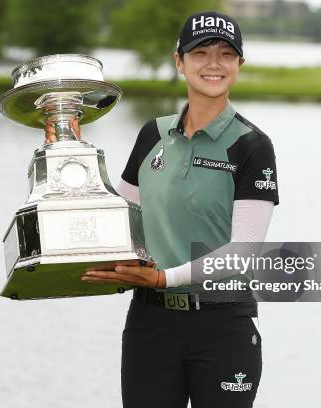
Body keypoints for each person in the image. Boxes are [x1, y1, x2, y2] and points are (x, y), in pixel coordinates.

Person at [45, 10, 279, 408]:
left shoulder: (252, 146)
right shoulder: (152, 133)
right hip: (150, 323)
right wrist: (67, 149)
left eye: (226, 53)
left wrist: (163, 278)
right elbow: (120, 220)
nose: (213, 63)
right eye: (200, 52)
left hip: (222, 324)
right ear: (179, 62)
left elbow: (244, 251)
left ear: (239, 64)